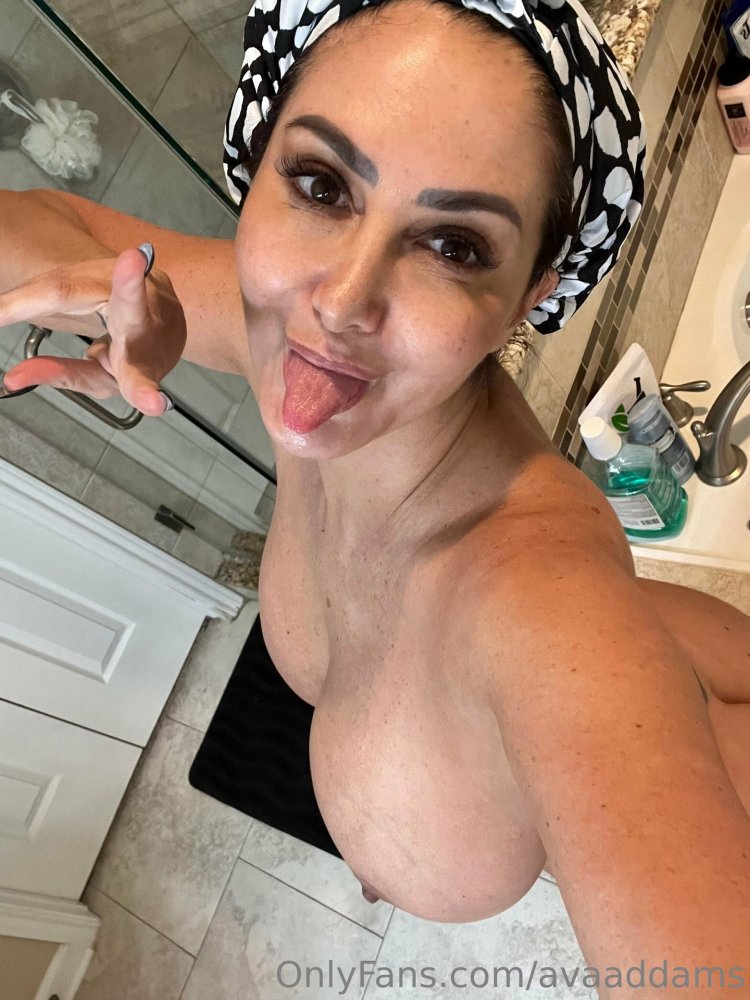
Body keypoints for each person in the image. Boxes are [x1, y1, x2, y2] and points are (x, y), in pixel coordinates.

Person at [0, 0, 749, 992]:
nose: (343, 302)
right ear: (259, 160)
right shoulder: (286, 340)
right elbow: (27, 223)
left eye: (454, 245)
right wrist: (121, 291)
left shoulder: (542, 611)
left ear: (531, 297)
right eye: (321, 185)